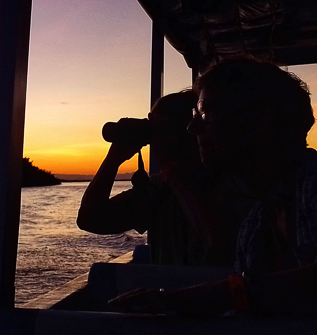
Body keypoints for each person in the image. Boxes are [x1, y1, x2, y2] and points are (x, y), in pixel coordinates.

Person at [110, 56, 317, 317]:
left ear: (260, 118)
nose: (193, 127)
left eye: (206, 111)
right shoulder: (257, 221)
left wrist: (207, 297)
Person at [77, 89, 247, 266]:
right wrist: (113, 158)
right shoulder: (160, 188)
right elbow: (90, 220)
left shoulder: (233, 181)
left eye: (163, 128)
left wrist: (170, 165)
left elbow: (221, 242)